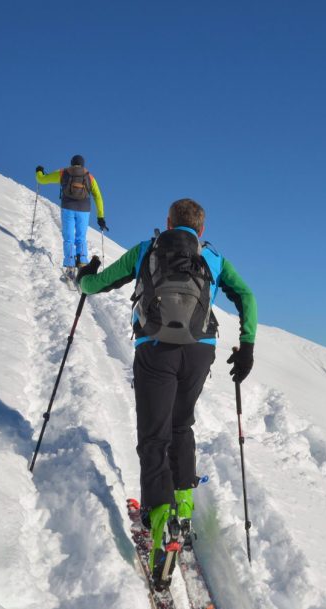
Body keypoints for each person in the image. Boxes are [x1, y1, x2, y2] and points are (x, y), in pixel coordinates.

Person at [76, 197, 257, 586]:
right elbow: (247, 296)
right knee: (181, 425)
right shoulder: (213, 258)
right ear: (200, 230)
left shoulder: (146, 250)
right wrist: (248, 346)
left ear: (168, 221)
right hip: (199, 351)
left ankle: (161, 528)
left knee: (153, 437)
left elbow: (96, 284)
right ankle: (184, 510)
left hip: (155, 350)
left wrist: (83, 275)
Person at [35, 155, 107, 278]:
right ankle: (82, 264)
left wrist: (39, 172)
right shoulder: (89, 176)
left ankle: (70, 267)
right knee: (81, 237)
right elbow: (98, 197)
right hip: (84, 210)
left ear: (72, 163)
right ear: (82, 164)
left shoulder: (63, 172)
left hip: (68, 207)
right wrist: (100, 217)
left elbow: (42, 180)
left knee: (69, 238)